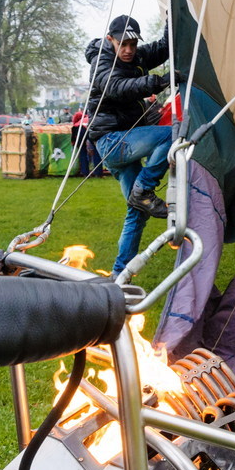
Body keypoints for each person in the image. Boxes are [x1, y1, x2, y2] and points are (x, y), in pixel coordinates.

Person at [85, 14, 172, 278]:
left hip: (125, 140)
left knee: (137, 213)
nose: (129, 50)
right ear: (110, 39)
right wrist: (159, 81)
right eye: (123, 44)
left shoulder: (136, 57)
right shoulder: (102, 62)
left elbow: (164, 47)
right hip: (111, 141)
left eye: (133, 44)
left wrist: (171, 15)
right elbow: (118, 86)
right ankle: (145, 187)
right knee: (171, 135)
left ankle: (119, 275)